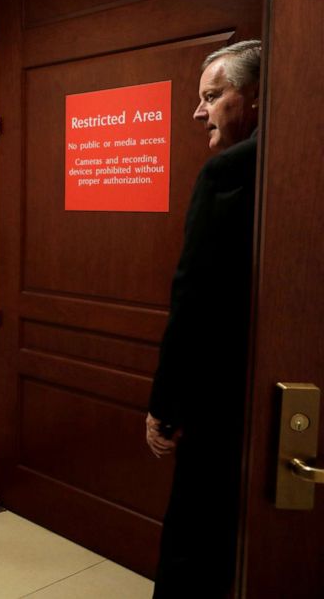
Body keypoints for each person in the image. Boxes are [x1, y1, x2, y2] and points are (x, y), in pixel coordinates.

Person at [145, 39, 261, 598]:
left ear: (257, 96)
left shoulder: (229, 173)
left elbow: (193, 300)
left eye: (212, 97)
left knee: (195, 548)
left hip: (220, 406)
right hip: (264, 406)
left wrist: (164, 408)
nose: (198, 113)